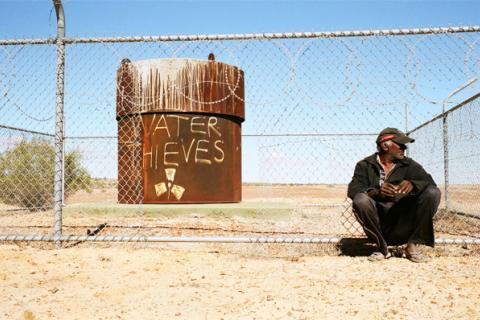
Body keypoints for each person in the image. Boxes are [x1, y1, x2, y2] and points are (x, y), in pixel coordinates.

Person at [347, 128, 441, 262]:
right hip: (379, 224)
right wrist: (376, 192)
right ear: (385, 145)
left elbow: (430, 183)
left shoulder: (409, 165)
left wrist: (414, 184)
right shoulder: (365, 165)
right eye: (400, 144)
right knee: (360, 199)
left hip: (403, 222)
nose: (404, 148)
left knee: (432, 193)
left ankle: (413, 246)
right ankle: (382, 248)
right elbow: (354, 188)